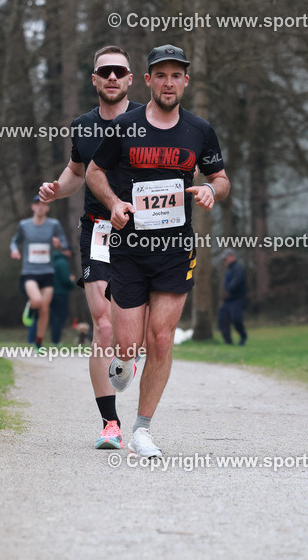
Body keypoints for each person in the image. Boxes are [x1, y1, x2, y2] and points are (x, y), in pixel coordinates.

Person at [87, 44, 230, 458]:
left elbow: (221, 178)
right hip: (130, 248)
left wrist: (208, 189)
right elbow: (95, 172)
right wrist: (114, 204)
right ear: (147, 80)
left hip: (175, 249)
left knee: (162, 339)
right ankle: (123, 364)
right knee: (127, 346)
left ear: (186, 81)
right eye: (161, 75)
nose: (169, 82)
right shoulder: (125, 126)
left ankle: (142, 430)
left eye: (177, 75)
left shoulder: (199, 131)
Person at [38, 44, 145, 449]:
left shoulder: (146, 120)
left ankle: (129, 354)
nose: (113, 77)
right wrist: (55, 189)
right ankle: (111, 425)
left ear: (131, 79)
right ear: (95, 80)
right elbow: (75, 173)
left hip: (143, 233)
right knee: (102, 325)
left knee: (131, 334)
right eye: (106, 72)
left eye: (120, 70)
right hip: (98, 229)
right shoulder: (83, 125)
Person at [11, 195, 67, 349]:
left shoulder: (54, 225)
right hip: (29, 271)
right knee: (37, 301)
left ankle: (39, 342)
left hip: (47, 272)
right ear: (33, 207)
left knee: (44, 308)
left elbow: (63, 243)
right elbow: (15, 241)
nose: (41, 207)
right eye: (38, 204)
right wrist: (14, 250)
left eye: (44, 204)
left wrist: (58, 244)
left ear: (48, 208)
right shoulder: (24, 225)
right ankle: (30, 307)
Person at [218, 249, 248, 345]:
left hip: (237, 299)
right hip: (228, 300)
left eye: (225, 259)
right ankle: (228, 342)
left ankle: (243, 336)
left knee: (236, 319)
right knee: (222, 320)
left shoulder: (238, 268)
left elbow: (236, 282)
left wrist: (228, 290)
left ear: (232, 257)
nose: (224, 261)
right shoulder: (229, 269)